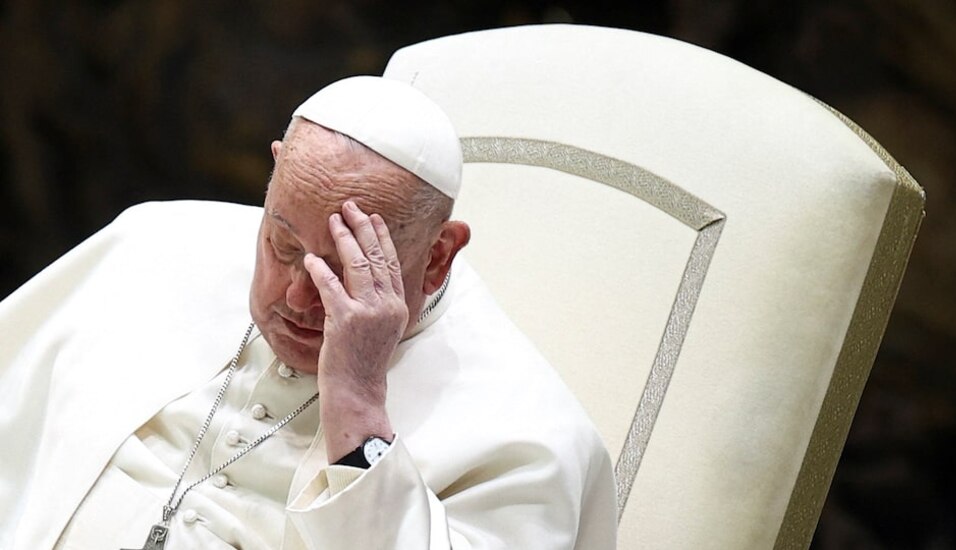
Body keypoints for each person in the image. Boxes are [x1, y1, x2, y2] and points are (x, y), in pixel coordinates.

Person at [0, 76, 617, 549]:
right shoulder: (152, 245)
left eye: (347, 269)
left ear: (437, 257)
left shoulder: (528, 430)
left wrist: (357, 406)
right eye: (283, 244)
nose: (296, 298)